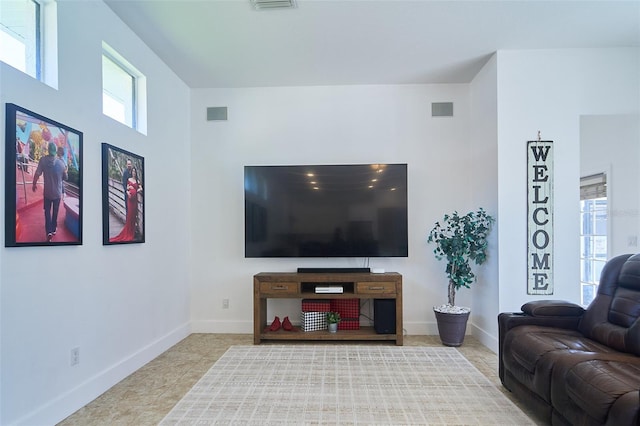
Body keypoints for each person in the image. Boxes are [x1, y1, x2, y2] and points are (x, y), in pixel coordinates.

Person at [32, 142, 68, 242]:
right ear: (55, 151)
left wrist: (34, 184)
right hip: (57, 193)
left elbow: (37, 174)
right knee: (55, 212)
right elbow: (65, 177)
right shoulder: (61, 163)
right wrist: (65, 172)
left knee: (47, 212)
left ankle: (48, 231)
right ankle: (53, 229)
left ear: (48, 150)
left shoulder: (43, 160)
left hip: (47, 193)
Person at [110, 167, 143, 242]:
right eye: (133, 171)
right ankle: (128, 232)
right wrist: (128, 192)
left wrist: (137, 190)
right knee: (130, 215)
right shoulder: (129, 179)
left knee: (133, 216)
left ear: (136, 173)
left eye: (135, 172)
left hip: (135, 201)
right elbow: (127, 188)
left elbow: (141, 188)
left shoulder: (137, 181)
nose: (134, 173)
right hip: (130, 200)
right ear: (132, 172)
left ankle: (132, 232)